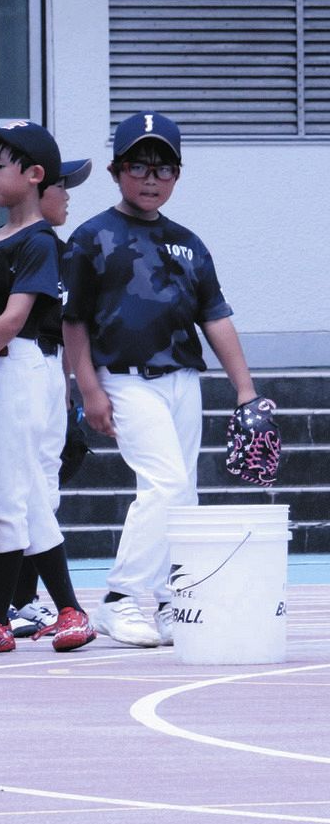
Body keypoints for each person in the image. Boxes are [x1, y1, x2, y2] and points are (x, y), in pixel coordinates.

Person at [62, 111, 260, 648]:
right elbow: (72, 319)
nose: (151, 179)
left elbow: (215, 316)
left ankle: (176, 602)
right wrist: (88, 389)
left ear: (177, 176)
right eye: (138, 166)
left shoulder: (188, 243)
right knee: (165, 483)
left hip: (181, 380)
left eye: (164, 169)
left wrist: (246, 390)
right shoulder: (91, 237)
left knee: (184, 493)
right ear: (114, 170)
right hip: (122, 379)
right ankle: (121, 599)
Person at [0, 118, 95, 654]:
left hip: (21, 369)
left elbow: (13, 319)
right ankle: (69, 609)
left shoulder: (39, 242)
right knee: (22, 497)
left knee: (11, 497)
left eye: (0, 165)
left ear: (34, 175)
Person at [0, 156, 93, 638]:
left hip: (48, 373)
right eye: (63, 185)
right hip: (13, 368)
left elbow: (68, 327)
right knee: (11, 490)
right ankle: (17, 605)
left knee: (42, 490)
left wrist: (73, 390)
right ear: (39, 187)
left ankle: (22, 602)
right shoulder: (15, 246)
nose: (68, 196)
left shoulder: (61, 251)